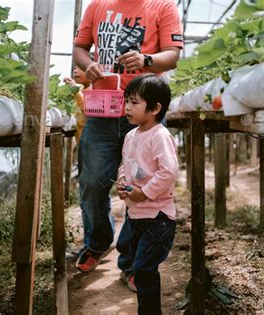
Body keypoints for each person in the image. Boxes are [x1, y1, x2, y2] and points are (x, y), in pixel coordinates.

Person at [73, 0, 183, 274]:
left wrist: (146, 60)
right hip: (103, 109)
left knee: (144, 184)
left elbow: (172, 55)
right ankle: (98, 242)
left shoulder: (162, 6)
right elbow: (79, 49)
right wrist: (89, 66)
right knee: (91, 183)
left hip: (144, 111)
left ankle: (135, 260)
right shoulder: (97, 5)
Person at [115, 74, 178, 314]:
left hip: (158, 218)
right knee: (137, 265)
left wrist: (146, 193)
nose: (127, 107)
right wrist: (122, 181)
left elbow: (169, 171)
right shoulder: (131, 136)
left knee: (143, 269)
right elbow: (126, 164)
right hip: (137, 214)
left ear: (155, 108)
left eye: (134, 102)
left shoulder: (159, 136)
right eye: (126, 101)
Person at [63, 66, 90, 146]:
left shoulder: (93, 91)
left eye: (80, 68)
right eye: (74, 68)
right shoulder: (81, 91)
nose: (75, 71)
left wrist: (76, 91)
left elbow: (87, 111)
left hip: (89, 143)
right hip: (81, 141)